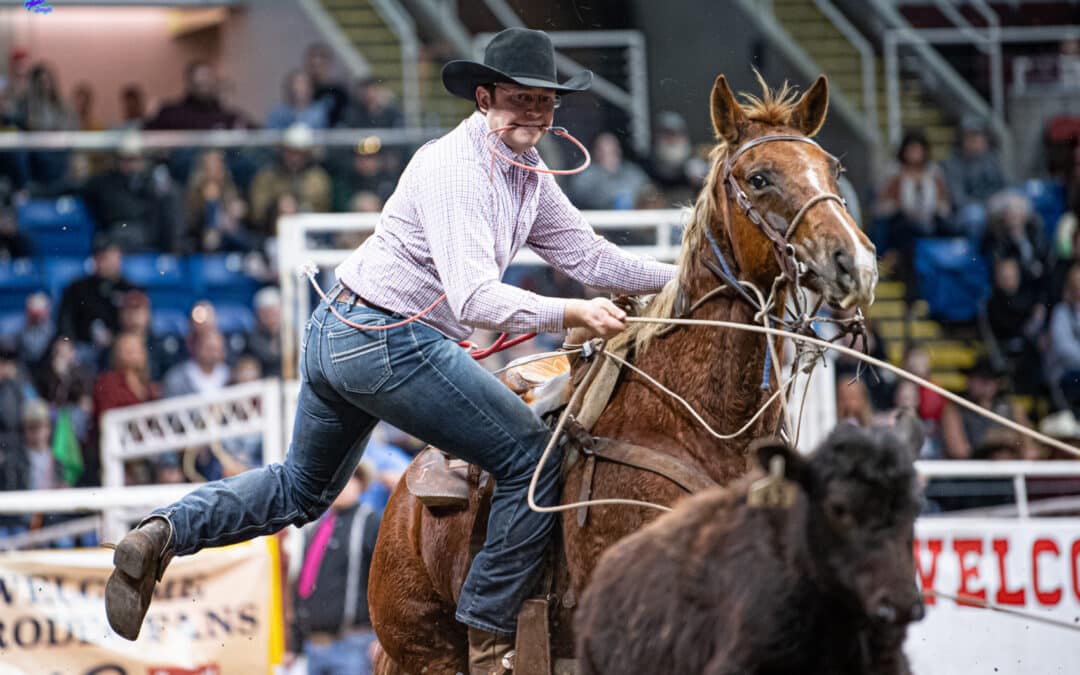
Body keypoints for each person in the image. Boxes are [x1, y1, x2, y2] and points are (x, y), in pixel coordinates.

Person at [104, 28, 676, 674]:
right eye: (521, 100)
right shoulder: (458, 167)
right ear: (485, 99)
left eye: (545, 103)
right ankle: (489, 638)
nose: (536, 115)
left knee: (298, 489)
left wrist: (683, 275)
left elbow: (590, 255)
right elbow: (474, 300)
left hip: (339, 327)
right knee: (531, 458)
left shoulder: (527, 174)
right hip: (384, 338)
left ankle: (166, 529)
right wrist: (571, 310)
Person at [288, 462, 380, 675]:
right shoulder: (316, 529)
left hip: (354, 644)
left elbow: (387, 584)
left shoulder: (371, 523)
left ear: (360, 484)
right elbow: (302, 586)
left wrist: (381, 639)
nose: (340, 487)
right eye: (335, 481)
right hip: (314, 646)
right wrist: (294, 644)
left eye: (348, 479)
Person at [56, 236, 136, 352]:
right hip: (81, 348)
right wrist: (67, 341)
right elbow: (65, 323)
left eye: (109, 257)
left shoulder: (130, 290)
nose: (106, 263)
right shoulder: (77, 289)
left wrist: (116, 338)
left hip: (120, 348)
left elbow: (138, 326)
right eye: (101, 258)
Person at [941, 115, 1006, 240]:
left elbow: (1004, 185)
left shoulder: (992, 159)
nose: (976, 140)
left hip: (993, 205)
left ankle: (1019, 255)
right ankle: (975, 258)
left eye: (979, 136)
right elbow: (958, 199)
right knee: (975, 216)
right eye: (970, 136)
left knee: (1018, 208)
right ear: (962, 140)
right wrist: (988, 206)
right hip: (964, 212)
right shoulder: (952, 163)